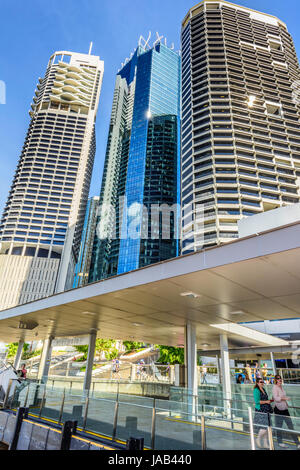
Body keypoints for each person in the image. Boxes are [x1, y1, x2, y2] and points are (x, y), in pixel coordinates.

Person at [272, 375, 300, 449]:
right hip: (278, 409)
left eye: (280, 378)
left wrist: (286, 400)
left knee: (290, 426)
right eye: (278, 378)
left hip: (284, 408)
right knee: (279, 426)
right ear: (275, 380)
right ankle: (280, 442)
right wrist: (285, 398)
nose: (280, 379)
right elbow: (276, 398)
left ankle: (297, 443)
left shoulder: (281, 387)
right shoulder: (275, 387)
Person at [253, 377, 273, 449]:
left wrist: (269, 401)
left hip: (266, 409)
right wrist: (266, 402)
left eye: (263, 382)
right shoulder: (256, 390)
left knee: (267, 427)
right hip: (261, 410)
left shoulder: (263, 389)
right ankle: (258, 439)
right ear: (257, 383)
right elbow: (257, 401)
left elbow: (265, 399)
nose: (262, 383)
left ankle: (265, 443)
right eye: (261, 382)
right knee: (264, 426)